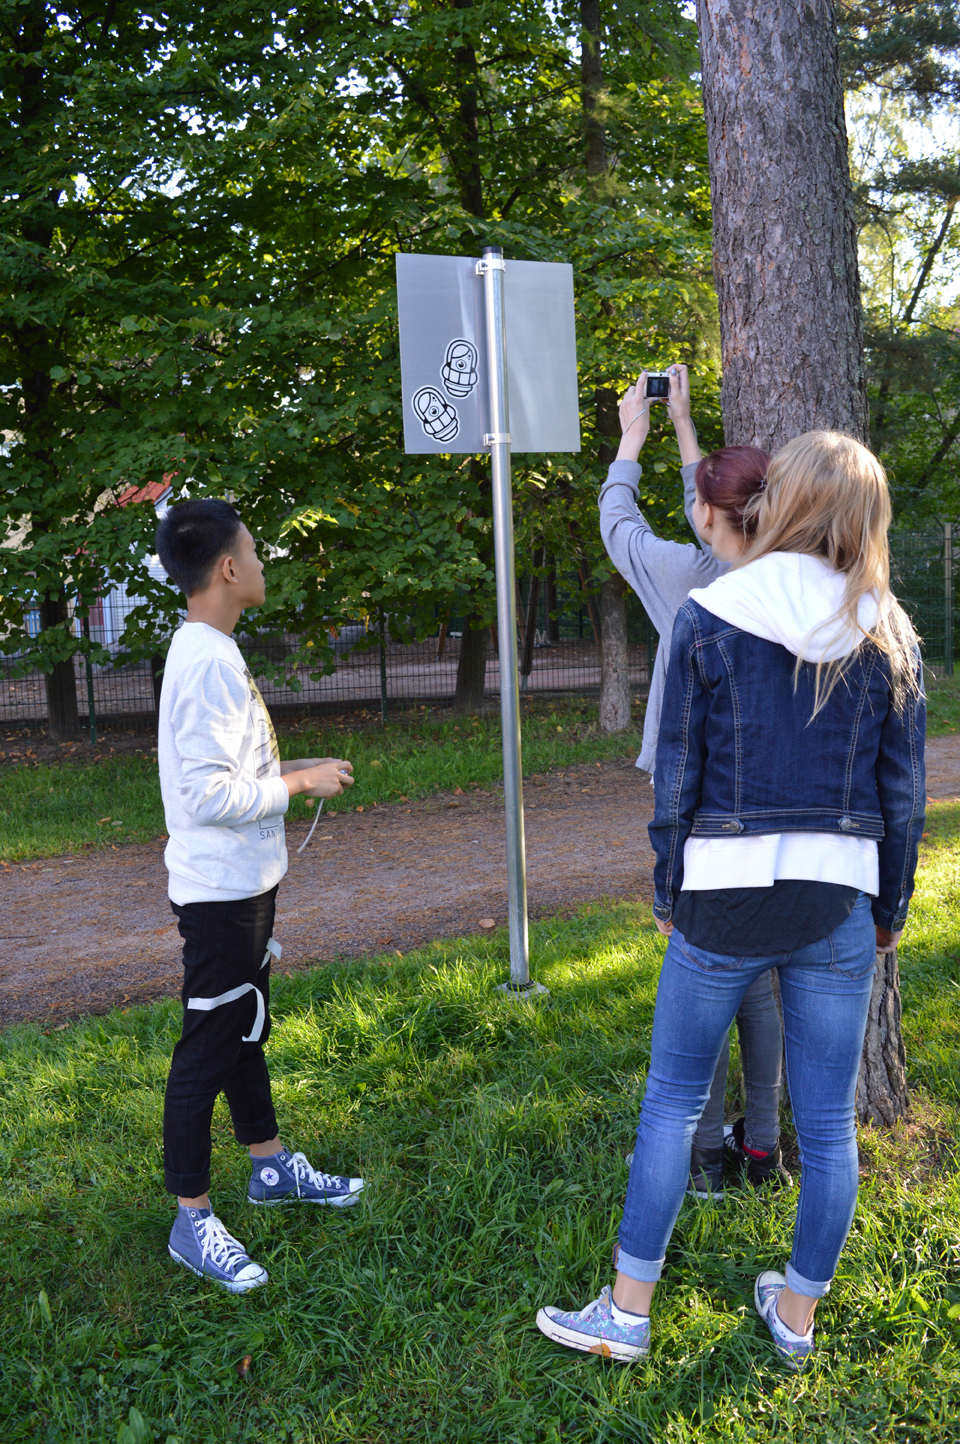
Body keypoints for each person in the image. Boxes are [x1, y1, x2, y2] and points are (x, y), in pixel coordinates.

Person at [539, 430, 925, 1366]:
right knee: (828, 1123)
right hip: (839, 903)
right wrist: (891, 912)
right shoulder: (886, 628)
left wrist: (668, 883)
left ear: (786, 501)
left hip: (721, 899)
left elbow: (678, 774)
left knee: (672, 1099)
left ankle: (627, 1313)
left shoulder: (713, 612)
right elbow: (901, 797)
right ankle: (796, 1316)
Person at [155, 498, 364, 1293]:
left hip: (246, 887)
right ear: (229, 569)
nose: (264, 564)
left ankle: (269, 1167)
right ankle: (191, 1217)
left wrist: (288, 771)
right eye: (257, 551)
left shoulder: (210, 648)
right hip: (219, 900)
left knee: (243, 1030)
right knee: (205, 1051)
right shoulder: (205, 659)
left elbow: (225, 775)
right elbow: (205, 797)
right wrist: (296, 782)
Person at [599, 365, 788, 1197]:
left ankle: (706, 1158)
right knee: (766, 973)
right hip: (778, 793)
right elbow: (718, 516)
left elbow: (621, 528)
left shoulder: (689, 582)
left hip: (700, 798)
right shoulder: (791, 568)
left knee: (703, 976)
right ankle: (763, 1142)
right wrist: (687, 435)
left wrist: (631, 444)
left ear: (708, 516)